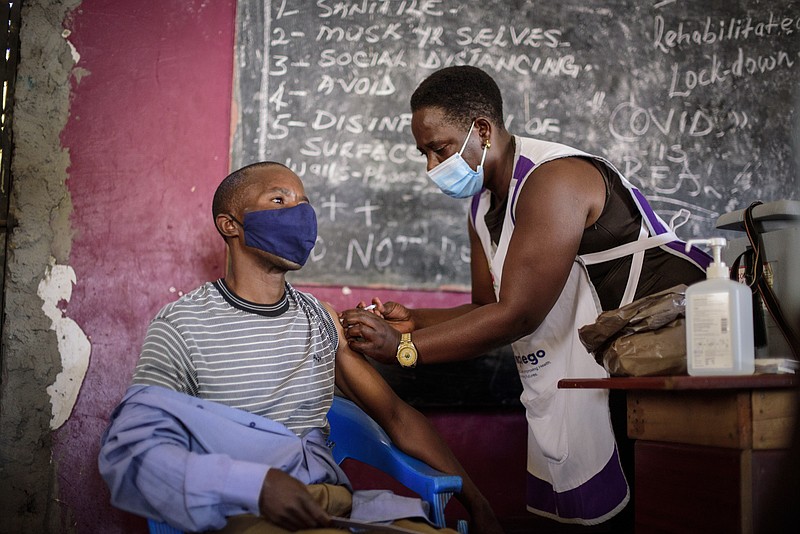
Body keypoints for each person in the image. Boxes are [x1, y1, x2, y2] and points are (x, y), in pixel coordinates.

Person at [340, 66, 711, 528]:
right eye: (424, 154)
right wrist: (411, 318)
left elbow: (518, 315)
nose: (432, 168)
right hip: (577, 369)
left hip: (654, 361)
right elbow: (485, 308)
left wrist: (404, 350)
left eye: (440, 149)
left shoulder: (553, 180)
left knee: (640, 514)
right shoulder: (481, 205)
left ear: (482, 130)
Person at [98, 162, 502, 534]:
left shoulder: (318, 318)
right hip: (245, 511)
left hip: (333, 506)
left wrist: (478, 503)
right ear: (230, 224)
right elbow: (134, 448)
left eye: (303, 204)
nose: (299, 214)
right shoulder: (182, 325)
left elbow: (395, 416)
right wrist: (253, 484)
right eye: (279, 200)